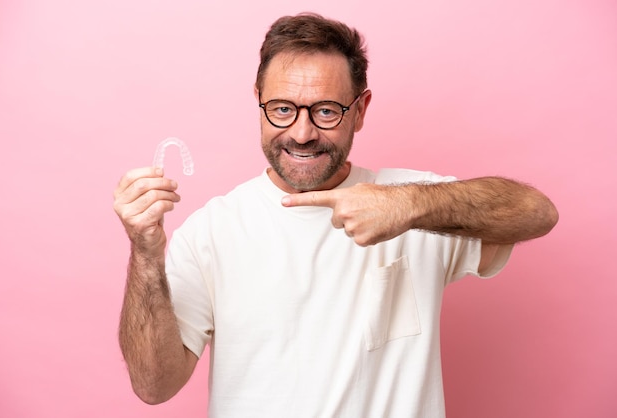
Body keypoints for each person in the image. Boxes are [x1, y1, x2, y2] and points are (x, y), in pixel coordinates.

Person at [113, 13, 558, 418]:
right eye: (283, 109)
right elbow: (154, 386)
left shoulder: (417, 204)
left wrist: (408, 205)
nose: (302, 133)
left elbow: (538, 213)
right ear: (259, 101)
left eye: (326, 111)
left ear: (359, 110)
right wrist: (146, 254)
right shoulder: (212, 231)